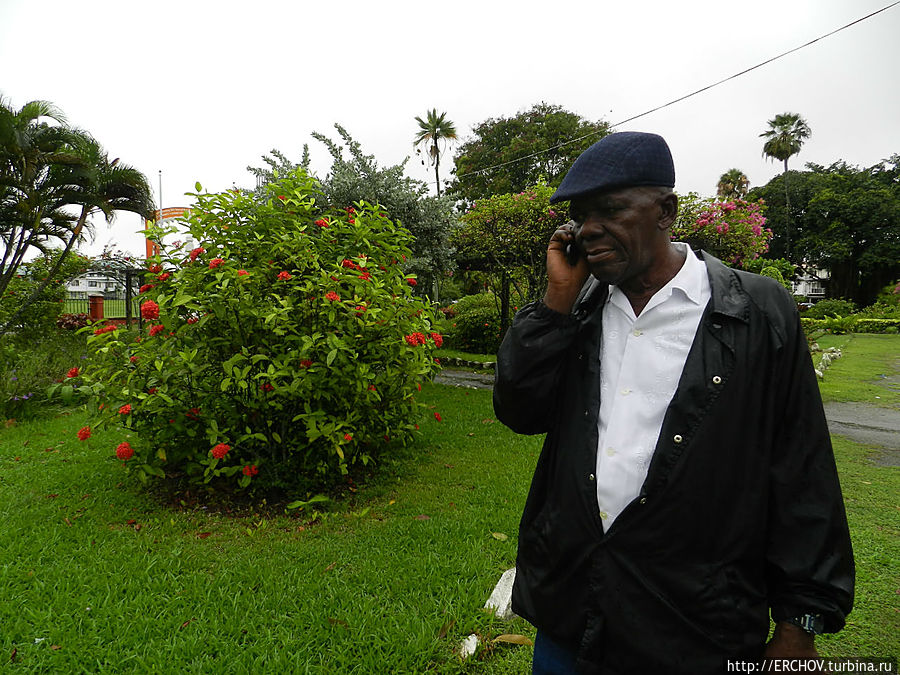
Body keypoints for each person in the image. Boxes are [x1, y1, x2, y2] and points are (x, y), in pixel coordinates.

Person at [493, 131, 854, 674]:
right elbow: (520, 412)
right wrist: (556, 304)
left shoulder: (754, 310)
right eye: (581, 216)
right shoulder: (581, 308)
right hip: (573, 606)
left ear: (666, 210)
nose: (589, 229)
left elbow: (800, 464)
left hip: (693, 622)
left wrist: (799, 622)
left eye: (609, 209)